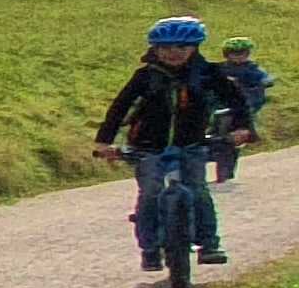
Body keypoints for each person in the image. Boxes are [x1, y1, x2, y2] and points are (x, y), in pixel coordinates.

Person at [95, 16, 251, 271]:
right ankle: (150, 249)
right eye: (165, 48)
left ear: (195, 48)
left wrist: (242, 129)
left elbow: (236, 102)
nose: (173, 53)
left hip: (191, 144)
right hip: (148, 146)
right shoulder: (145, 76)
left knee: (198, 191)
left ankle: (209, 244)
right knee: (150, 195)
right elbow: (120, 107)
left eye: (182, 47)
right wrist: (104, 142)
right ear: (154, 49)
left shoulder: (209, 74)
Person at [218, 37, 270, 185]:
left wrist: (265, 82)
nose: (238, 57)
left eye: (242, 53)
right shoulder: (222, 68)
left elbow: (265, 78)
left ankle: (249, 133)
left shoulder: (252, 69)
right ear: (226, 55)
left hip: (246, 103)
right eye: (234, 54)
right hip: (223, 103)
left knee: (242, 124)